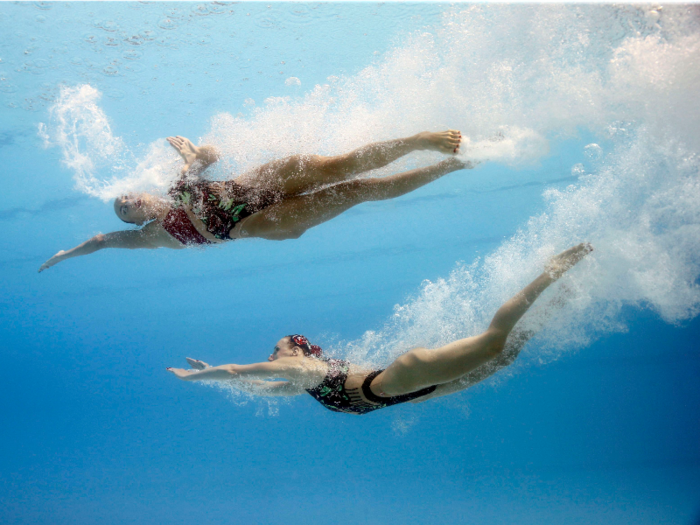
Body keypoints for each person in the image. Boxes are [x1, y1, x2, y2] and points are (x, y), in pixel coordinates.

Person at [167, 243, 593, 415]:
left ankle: (548, 275)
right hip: (419, 388)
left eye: (276, 350)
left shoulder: (304, 371)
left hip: (402, 378)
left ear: (297, 352)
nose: (272, 356)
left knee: (492, 342)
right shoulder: (303, 382)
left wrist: (196, 376)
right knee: (506, 353)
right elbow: (256, 387)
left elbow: (242, 371)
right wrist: (210, 375)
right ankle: (555, 304)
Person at [39, 130, 470, 272]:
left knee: (334, 165)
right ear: (131, 222)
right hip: (257, 224)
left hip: (253, 188)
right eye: (122, 208)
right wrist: (64, 254)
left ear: (143, 192)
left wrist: (195, 157)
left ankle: (420, 140)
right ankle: (450, 167)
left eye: (125, 196)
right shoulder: (148, 236)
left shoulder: (179, 183)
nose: (126, 201)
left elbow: (213, 154)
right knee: (355, 192)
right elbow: (100, 240)